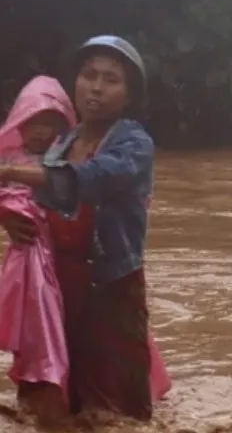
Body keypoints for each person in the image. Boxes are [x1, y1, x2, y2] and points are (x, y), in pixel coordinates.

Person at [0, 36, 169, 420]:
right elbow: (32, 202)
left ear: (128, 96)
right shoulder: (64, 142)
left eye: (111, 80)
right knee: (61, 405)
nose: (96, 86)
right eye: (89, 75)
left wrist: (10, 170)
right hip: (61, 286)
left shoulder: (134, 144)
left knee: (118, 411)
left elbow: (91, 179)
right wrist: (8, 216)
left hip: (111, 287)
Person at [0, 76, 76, 423]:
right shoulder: (7, 161)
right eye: (36, 122)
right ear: (20, 122)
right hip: (27, 254)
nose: (43, 132)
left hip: (63, 258)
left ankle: (48, 388)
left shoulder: (68, 164)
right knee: (36, 315)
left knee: (65, 323)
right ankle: (42, 385)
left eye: (51, 124)